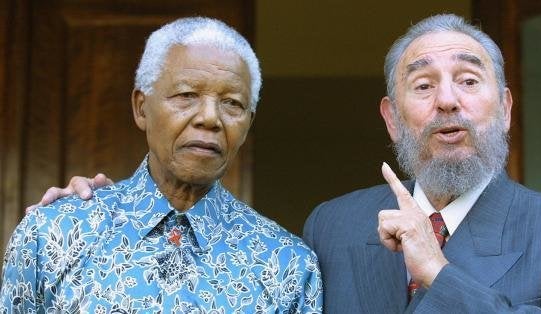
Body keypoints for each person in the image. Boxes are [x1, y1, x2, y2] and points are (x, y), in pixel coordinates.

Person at [26, 14, 541, 313]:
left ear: (507, 107)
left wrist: (439, 273)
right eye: (423, 86)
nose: (448, 100)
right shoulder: (330, 230)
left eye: (469, 80)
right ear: (392, 119)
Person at [1, 17, 323, 313]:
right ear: (141, 108)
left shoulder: (285, 263)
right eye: (186, 95)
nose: (210, 118)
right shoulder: (55, 233)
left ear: (248, 124)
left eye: (232, 103)